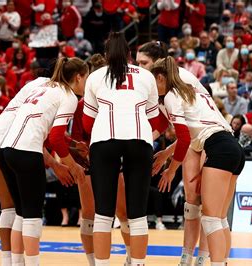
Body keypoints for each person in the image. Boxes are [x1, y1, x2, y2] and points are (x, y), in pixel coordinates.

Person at [151, 56, 245, 266]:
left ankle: (214, 262)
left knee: (211, 220)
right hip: (234, 148)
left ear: (160, 78)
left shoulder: (170, 96)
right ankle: (221, 262)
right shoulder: (194, 93)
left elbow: (184, 137)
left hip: (218, 149)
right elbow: (195, 133)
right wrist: (167, 151)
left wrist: (171, 170)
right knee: (220, 219)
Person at [0, 57, 87, 266]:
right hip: (26, 152)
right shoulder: (69, 96)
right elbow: (55, 138)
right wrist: (72, 166)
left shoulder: (45, 87)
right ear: (78, 77)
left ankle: (14, 263)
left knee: (21, 213)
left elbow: (47, 130)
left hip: (5, 150)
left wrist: (73, 144)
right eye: (87, 77)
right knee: (32, 215)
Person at [82, 32, 160, 266]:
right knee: (137, 215)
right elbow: (154, 119)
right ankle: (137, 263)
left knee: (103, 214)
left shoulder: (95, 76)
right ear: (129, 54)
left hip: (104, 141)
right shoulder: (147, 76)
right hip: (139, 140)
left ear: (106, 55)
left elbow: (87, 122)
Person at [0, 75, 73, 265]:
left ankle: (12, 261)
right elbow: (33, 140)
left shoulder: (39, 85)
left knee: (12, 208)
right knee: (13, 208)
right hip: (3, 139)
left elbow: (46, 135)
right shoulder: (60, 93)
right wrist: (56, 165)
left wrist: (71, 145)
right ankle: (10, 261)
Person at [135, 41, 210, 265]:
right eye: (137, 63)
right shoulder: (154, 86)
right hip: (192, 139)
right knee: (191, 202)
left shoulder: (179, 79)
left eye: (143, 63)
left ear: (157, 63)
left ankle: (204, 257)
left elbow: (188, 128)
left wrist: (169, 161)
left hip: (210, 136)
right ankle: (186, 256)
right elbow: (159, 125)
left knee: (208, 203)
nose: (139, 68)